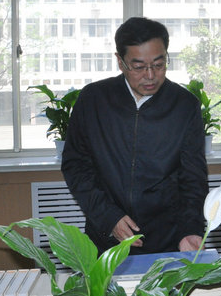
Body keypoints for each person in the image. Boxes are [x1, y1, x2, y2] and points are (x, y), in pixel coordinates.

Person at [61, 17, 208, 254]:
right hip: (106, 238)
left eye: (159, 64)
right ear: (120, 62)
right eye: (138, 67)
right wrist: (108, 217)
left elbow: (193, 177)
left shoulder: (184, 105)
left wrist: (190, 229)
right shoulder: (94, 100)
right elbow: (76, 166)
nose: (150, 75)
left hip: (167, 239)